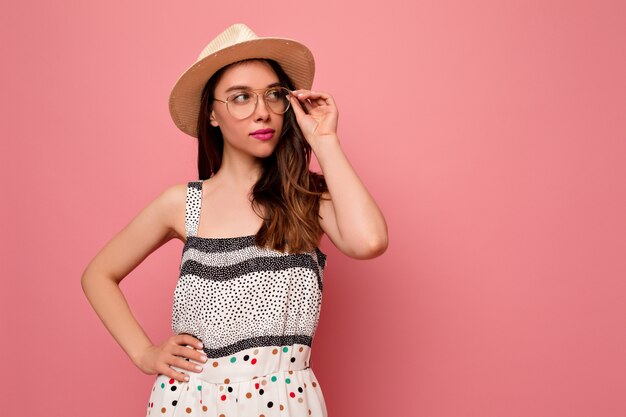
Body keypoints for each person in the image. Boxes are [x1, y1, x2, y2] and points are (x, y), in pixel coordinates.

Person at [81, 23, 388, 417]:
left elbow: (370, 242)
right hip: (192, 401)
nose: (262, 112)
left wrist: (324, 140)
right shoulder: (182, 204)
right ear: (211, 113)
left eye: (274, 95)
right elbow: (98, 274)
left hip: (287, 401)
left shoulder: (307, 197)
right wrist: (144, 353)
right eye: (240, 97)